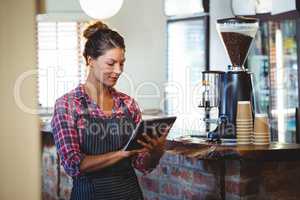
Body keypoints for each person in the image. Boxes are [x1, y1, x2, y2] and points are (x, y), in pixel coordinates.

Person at [51, 21, 169, 200]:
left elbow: (141, 164)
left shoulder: (128, 105)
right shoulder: (67, 105)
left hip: (130, 194)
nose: (118, 70)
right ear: (90, 60)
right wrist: (122, 153)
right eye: (111, 63)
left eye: (122, 63)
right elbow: (74, 164)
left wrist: (156, 152)